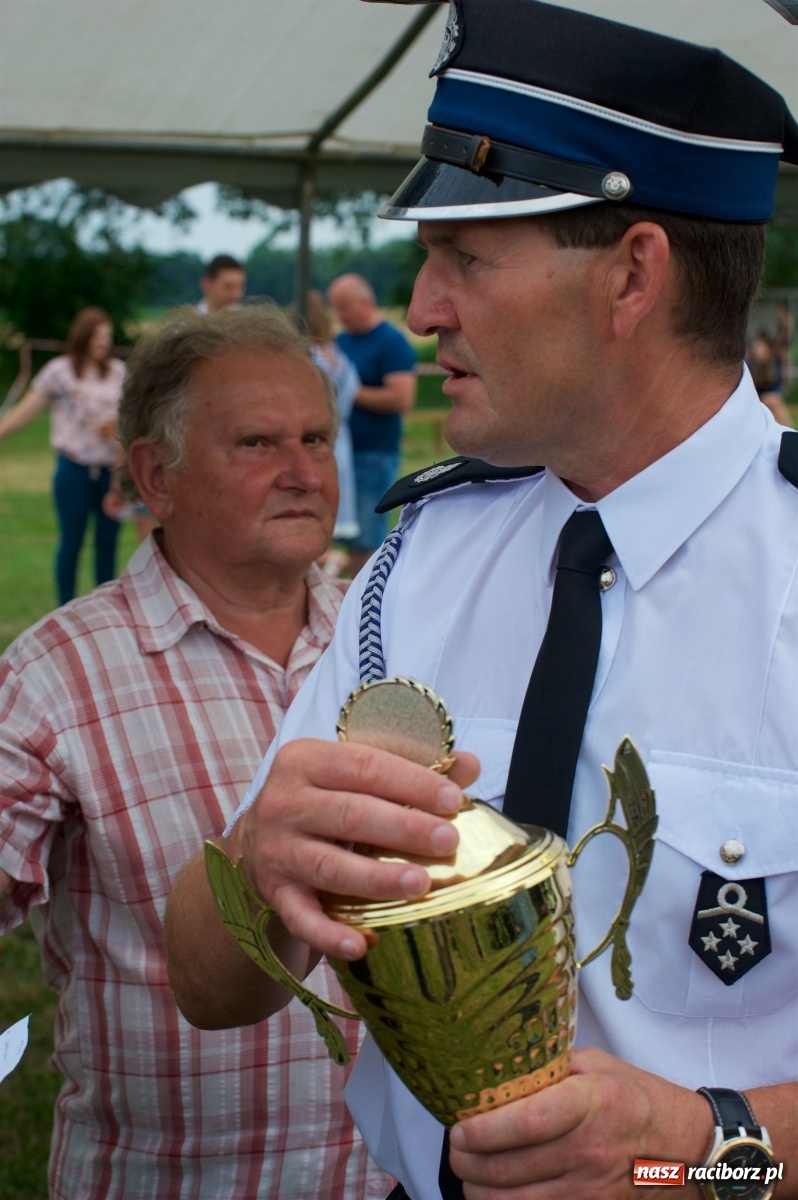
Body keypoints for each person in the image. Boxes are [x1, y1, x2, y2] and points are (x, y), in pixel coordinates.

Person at [165, 4, 798, 1199]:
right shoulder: (421, 560)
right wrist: (260, 864)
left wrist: (706, 1153)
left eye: (467, 255)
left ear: (633, 275)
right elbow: (207, 985)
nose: (423, 307)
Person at [0, 305, 391, 1200]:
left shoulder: (392, 638)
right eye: (257, 444)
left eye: (316, 439)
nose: (303, 473)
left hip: (388, 1179)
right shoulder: (54, 679)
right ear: (155, 476)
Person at [0, 307, 124, 604]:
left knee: (108, 544)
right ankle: (64, 610)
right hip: (74, 470)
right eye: (97, 335)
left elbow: (135, 417)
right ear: (83, 336)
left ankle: (104, 613)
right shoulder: (59, 371)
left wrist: (119, 427)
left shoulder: (120, 372)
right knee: (72, 542)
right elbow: (28, 409)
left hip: (112, 471)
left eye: (107, 335)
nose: (103, 342)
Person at [327, 272, 417, 573]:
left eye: (344, 307)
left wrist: (348, 391)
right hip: (338, 453)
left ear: (366, 302)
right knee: (335, 534)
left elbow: (401, 398)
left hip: (373, 455)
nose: (339, 315)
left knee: (366, 538)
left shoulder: (391, 342)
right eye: (335, 308)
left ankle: (365, 600)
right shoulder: (339, 342)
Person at [302, 288, 361, 568]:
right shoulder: (337, 354)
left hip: (315, 438)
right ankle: (330, 560)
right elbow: (353, 392)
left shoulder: (309, 356)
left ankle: (326, 563)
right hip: (341, 438)